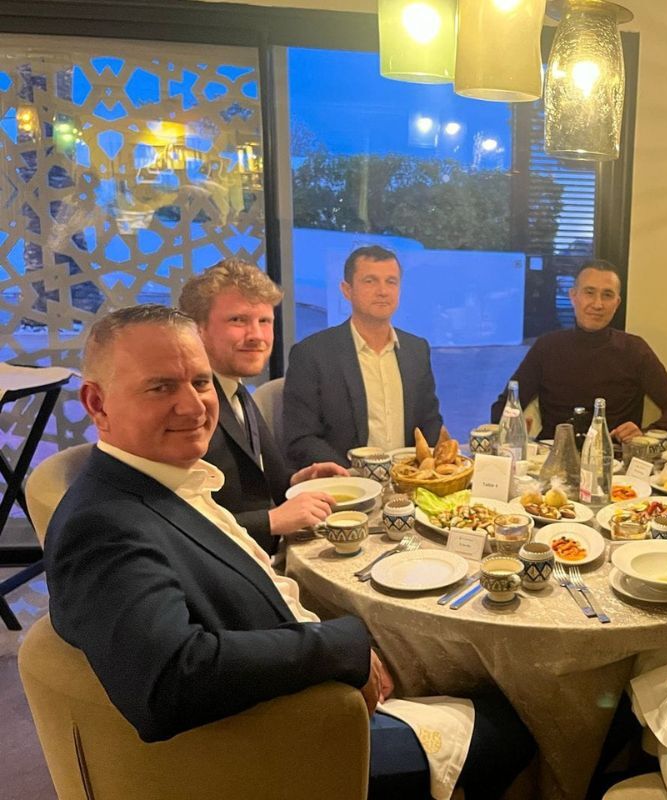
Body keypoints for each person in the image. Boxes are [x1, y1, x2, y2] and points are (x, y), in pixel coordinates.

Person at [44, 305, 533, 798]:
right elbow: (168, 682)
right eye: (160, 387)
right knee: (516, 720)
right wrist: (339, 647)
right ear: (97, 404)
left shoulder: (163, 482)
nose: (193, 407)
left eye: (200, 382)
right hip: (279, 745)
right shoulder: (103, 525)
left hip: (292, 691)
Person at [180, 259, 348, 554]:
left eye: (264, 321)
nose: (256, 336)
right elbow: (176, 525)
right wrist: (271, 521)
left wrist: (298, 481)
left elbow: (255, 484)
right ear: (197, 329)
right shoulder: (185, 408)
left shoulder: (236, 388)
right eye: (238, 320)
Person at [490, 260, 667, 442]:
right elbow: (502, 407)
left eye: (607, 295)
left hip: (615, 460)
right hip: (553, 457)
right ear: (573, 296)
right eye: (589, 292)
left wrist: (645, 436)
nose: (598, 304)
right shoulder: (547, 347)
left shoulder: (634, 349)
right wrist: (514, 427)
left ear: (617, 303)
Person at [285, 245, 443, 468]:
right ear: (346, 290)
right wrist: (352, 478)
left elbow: (430, 424)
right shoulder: (312, 354)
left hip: (410, 479)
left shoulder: (416, 350)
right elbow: (302, 438)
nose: (383, 291)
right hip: (345, 481)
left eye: (391, 282)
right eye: (370, 281)